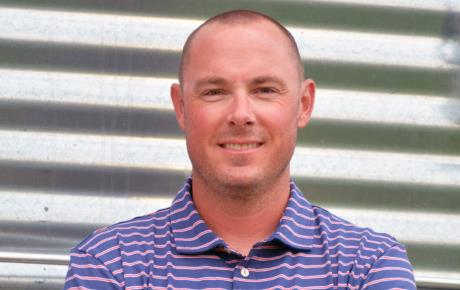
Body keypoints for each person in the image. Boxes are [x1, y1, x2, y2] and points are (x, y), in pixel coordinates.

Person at [64, 10, 416, 289]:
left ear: (304, 104)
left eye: (264, 90)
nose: (241, 115)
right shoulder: (110, 264)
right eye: (215, 91)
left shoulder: (368, 265)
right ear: (182, 107)